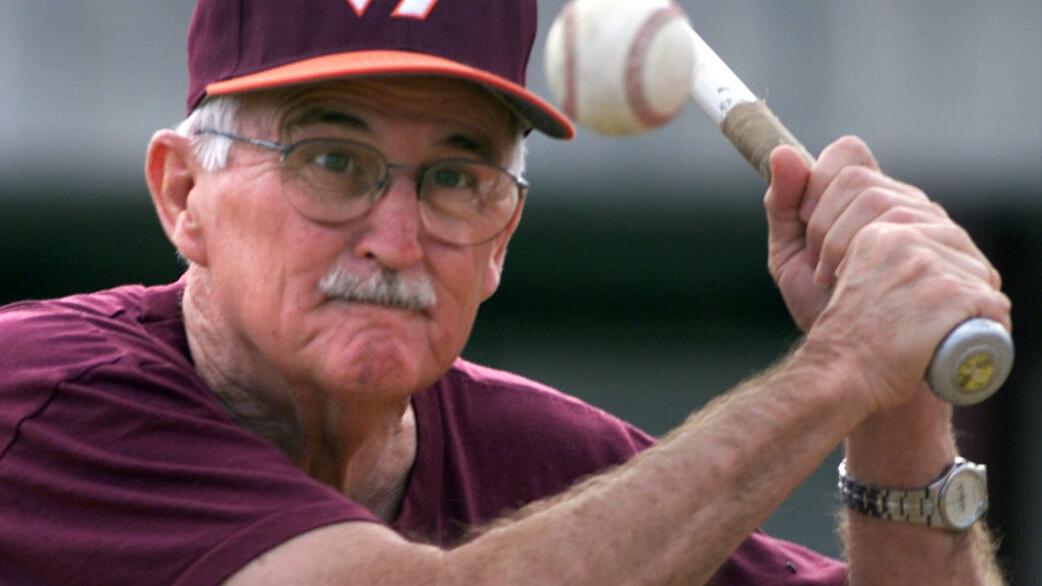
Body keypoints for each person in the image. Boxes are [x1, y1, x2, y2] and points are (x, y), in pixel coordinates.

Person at [0, 1, 1009, 584]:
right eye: (332, 160)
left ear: (503, 234)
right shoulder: (42, 396)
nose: (396, 240)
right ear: (184, 196)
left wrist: (901, 402)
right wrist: (839, 367)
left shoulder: (554, 464)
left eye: (455, 177)